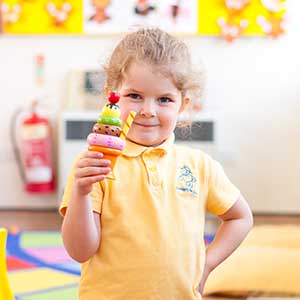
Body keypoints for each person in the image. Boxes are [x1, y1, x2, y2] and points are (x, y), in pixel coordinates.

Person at [60, 27, 253, 300]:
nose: (148, 111)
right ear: (111, 95)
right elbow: (80, 251)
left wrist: (207, 263)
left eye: (164, 99)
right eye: (134, 96)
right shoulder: (95, 165)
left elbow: (240, 217)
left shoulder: (199, 165)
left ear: (182, 105)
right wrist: (80, 193)